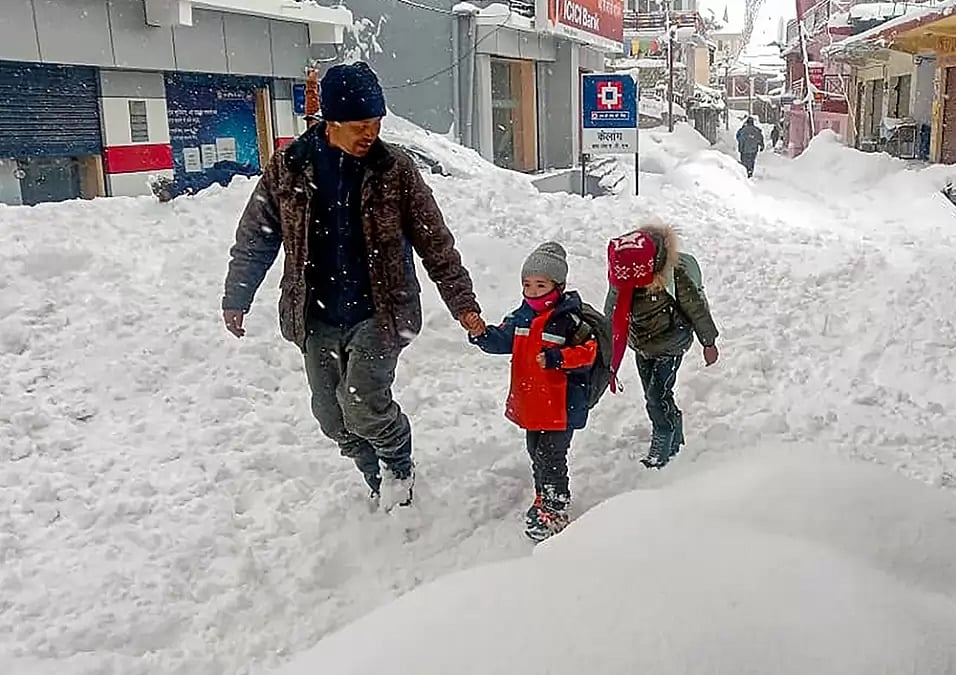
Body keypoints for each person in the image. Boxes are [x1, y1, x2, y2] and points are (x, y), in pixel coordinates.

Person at [221, 62, 484, 510]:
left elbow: (434, 241)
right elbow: (256, 237)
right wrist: (237, 296)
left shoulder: (395, 169)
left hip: (382, 313)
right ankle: (373, 474)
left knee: (362, 403)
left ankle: (399, 467)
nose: (371, 133)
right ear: (332, 122)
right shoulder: (288, 169)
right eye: (361, 125)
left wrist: (462, 303)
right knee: (330, 416)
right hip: (316, 314)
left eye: (377, 123)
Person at [470, 243, 598, 541]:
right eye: (527, 284)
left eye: (541, 285)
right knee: (535, 453)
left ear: (558, 286)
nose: (533, 291)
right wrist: (480, 334)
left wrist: (558, 358)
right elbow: (501, 341)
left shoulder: (569, 319)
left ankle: (555, 507)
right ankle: (543, 495)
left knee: (552, 456)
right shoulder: (521, 316)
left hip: (560, 406)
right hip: (532, 404)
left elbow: (588, 353)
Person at [606, 223, 719, 469]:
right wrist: (604, 345)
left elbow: (695, 308)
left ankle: (663, 434)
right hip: (642, 345)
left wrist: (708, 342)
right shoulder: (624, 277)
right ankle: (675, 429)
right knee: (653, 393)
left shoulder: (673, 275)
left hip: (671, 343)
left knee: (656, 396)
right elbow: (611, 314)